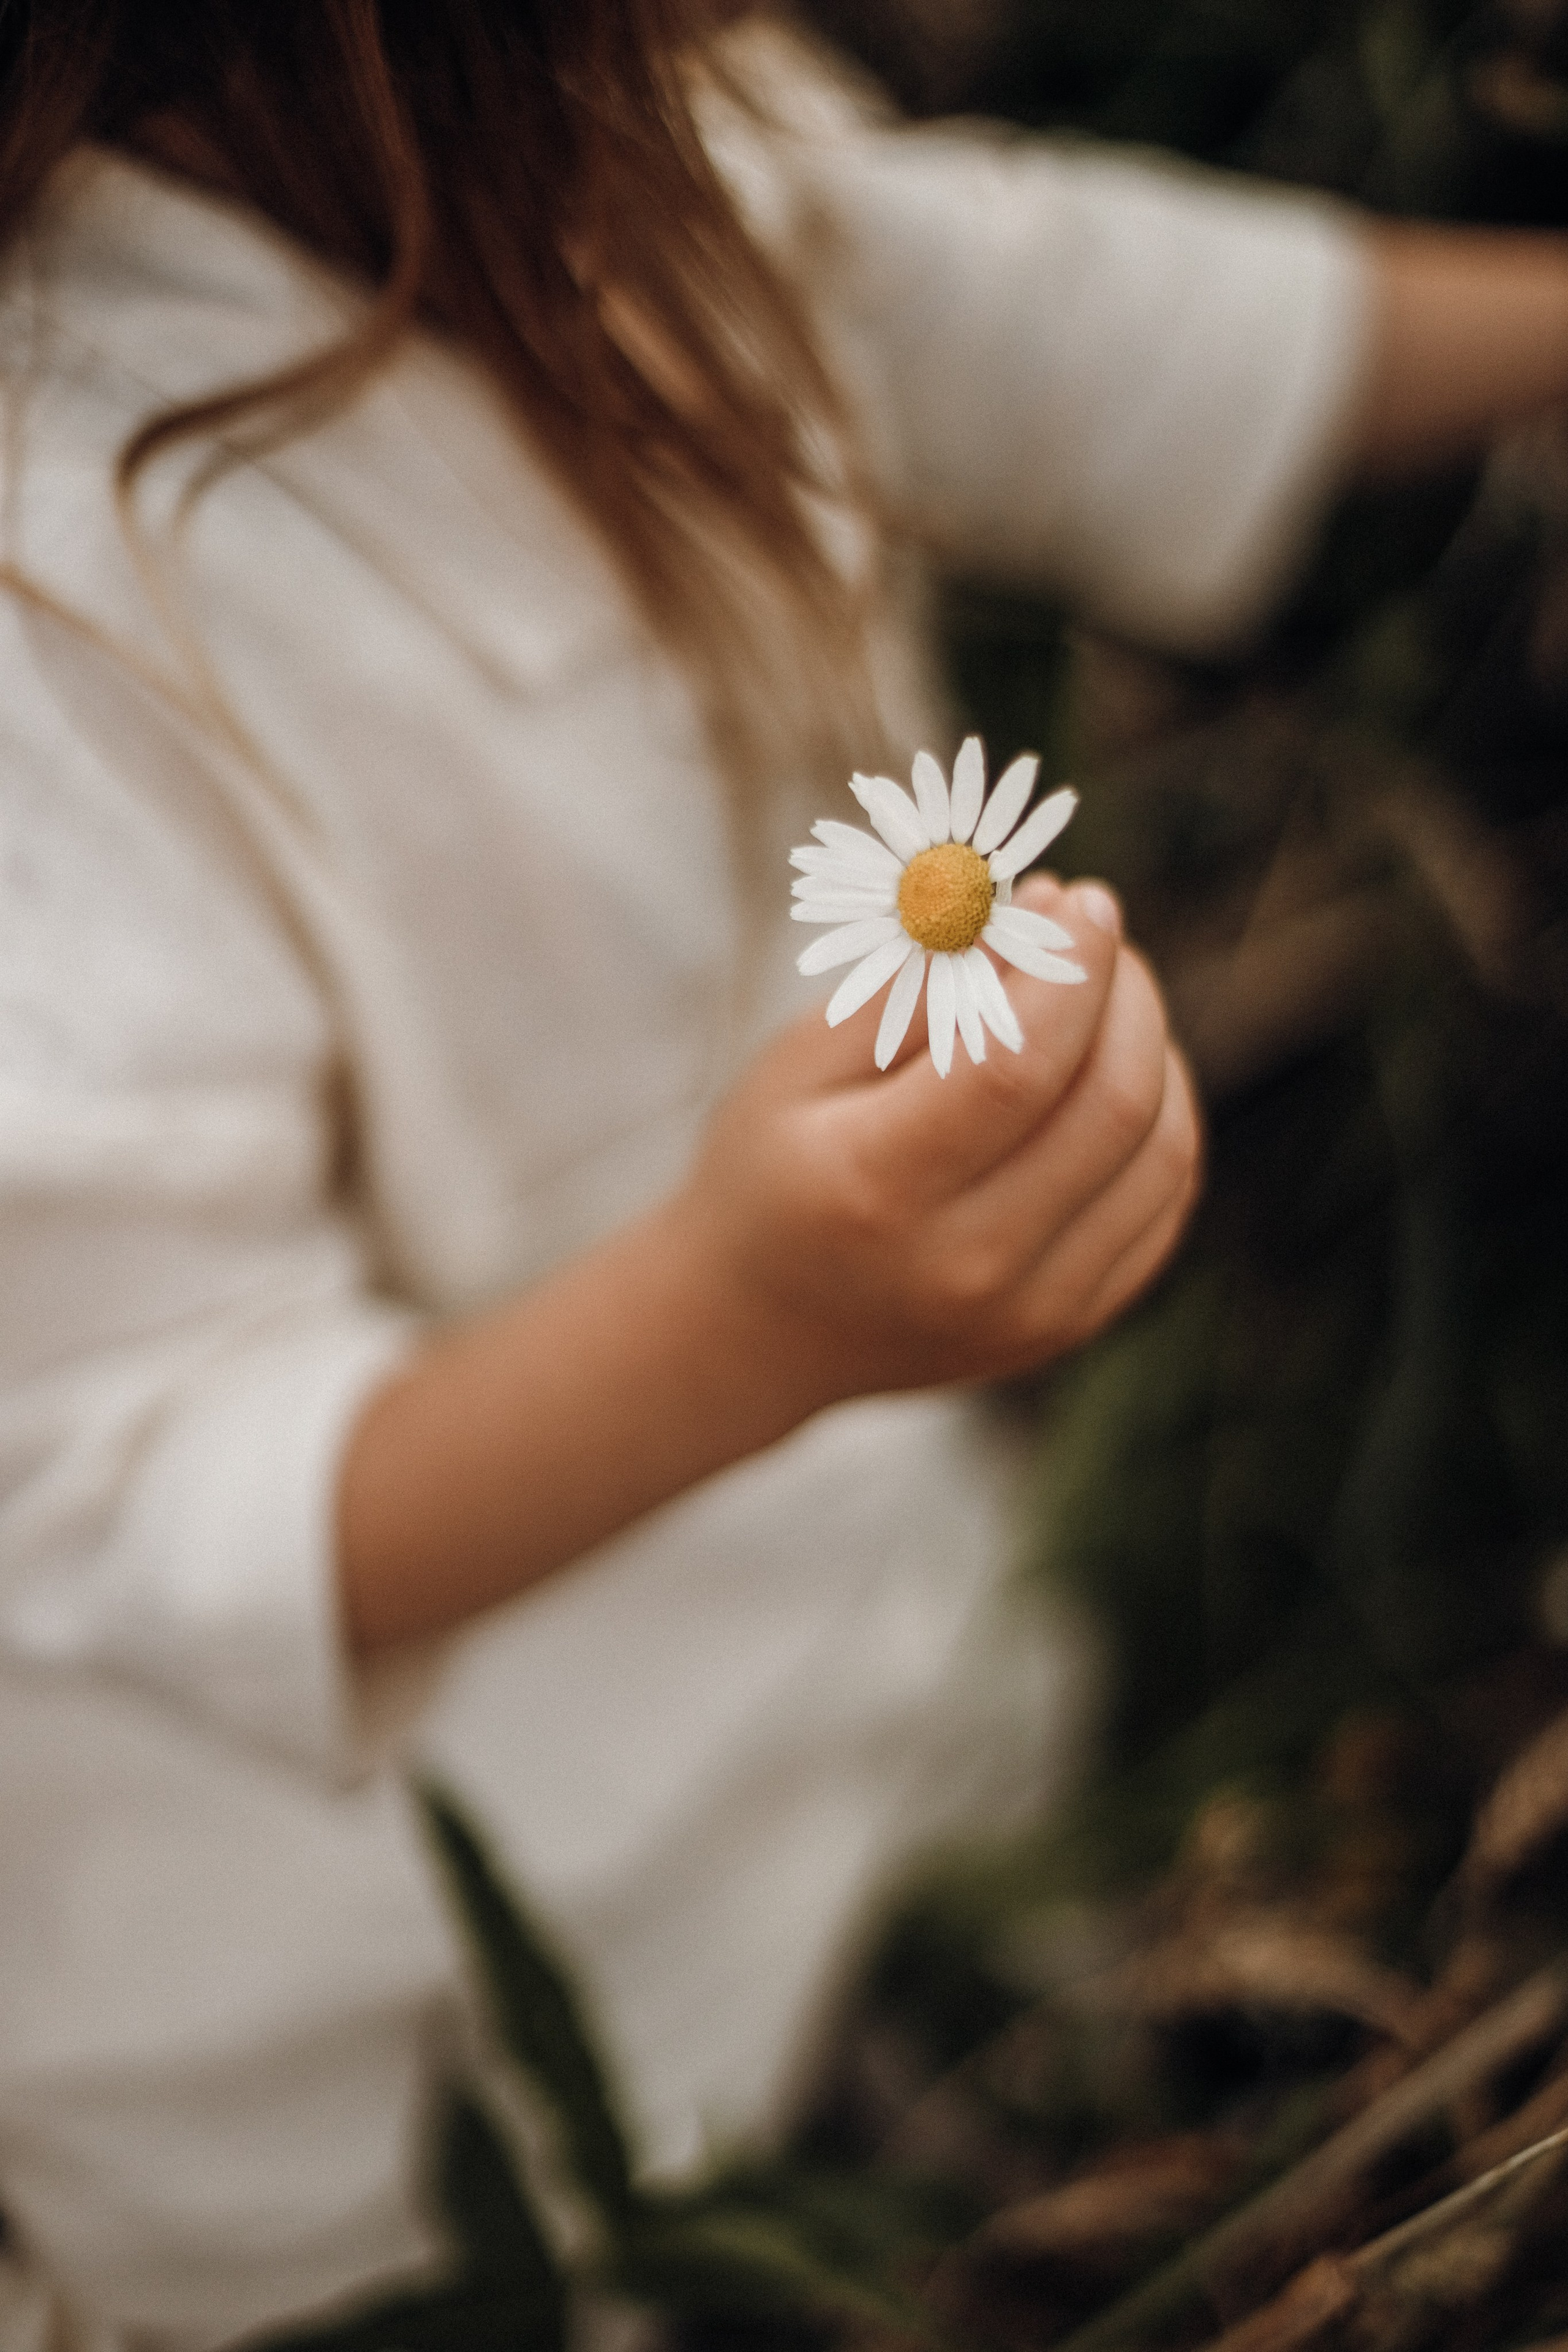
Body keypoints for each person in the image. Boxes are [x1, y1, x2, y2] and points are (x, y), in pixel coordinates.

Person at [2, 1, 1568, 2340]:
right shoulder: (51, 586)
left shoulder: (609, 127)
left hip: (840, 1639)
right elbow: (120, 1504)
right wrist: (754, 1320)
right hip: (393, 1994)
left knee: (960, 2036)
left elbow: (1028, 309)